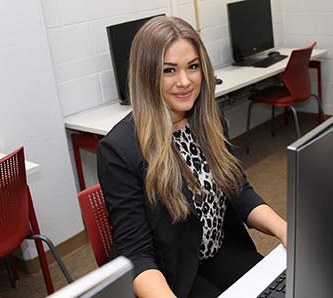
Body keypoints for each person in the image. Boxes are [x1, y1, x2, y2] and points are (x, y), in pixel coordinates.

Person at [97, 16, 287, 298]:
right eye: (169, 70)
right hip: (167, 273)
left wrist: (286, 230)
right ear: (146, 75)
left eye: (193, 67)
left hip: (219, 250)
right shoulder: (120, 150)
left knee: (282, 290)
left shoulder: (208, 118)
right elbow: (136, 255)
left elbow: (238, 190)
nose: (185, 82)